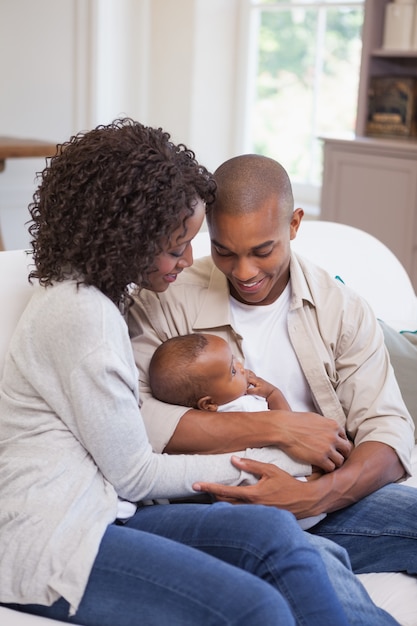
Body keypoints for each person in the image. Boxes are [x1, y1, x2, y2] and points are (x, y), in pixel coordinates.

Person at [0, 119, 361, 626]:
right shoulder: (81, 314)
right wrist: (283, 459)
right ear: (124, 238)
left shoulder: (96, 297)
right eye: (175, 247)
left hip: (107, 512)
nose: (188, 260)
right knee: (256, 608)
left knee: (272, 536)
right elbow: (137, 472)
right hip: (53, 537)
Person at [129, 153, 417, 602]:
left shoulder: (341, 308)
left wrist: (319, 495)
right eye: (224, 250)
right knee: (315, 565)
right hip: (218, 506)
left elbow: (389, 431)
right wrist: (279, 426)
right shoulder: (166, 300)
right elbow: (137, 419)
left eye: (263, 251)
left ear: (295, 224)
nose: (244, 272)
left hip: (322, 497)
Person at [149, 331, 326, 529]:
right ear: (209, 403)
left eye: (235, 360)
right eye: (232, 371)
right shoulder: (242, 409)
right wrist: (273, 393)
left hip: (260, 513)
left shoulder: (202, 426)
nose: (241, 367)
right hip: (295, 504)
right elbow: (291, 424)